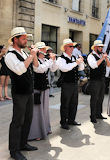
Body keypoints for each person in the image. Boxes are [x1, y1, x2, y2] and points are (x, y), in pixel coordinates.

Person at [5, 27, 38, 160]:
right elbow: (19, 70)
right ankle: (14, 151)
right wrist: (31, 56)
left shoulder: (24, 53)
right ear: (15, 39)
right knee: (17, 121)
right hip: (19, 93)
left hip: (28, 91)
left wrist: (33, 56)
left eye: (26, 38)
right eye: (23, 38)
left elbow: (35, 67)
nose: (26, 40)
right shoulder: (10, 55)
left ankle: (23, 143)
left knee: (28, 119)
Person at [28, 42, 58, 140]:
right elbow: (39, 69)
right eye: (43, 49)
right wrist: (50, 60)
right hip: (36, 89)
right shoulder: (34, 60)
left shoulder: (45, 59)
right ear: (39, 51)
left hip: (45, 88)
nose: (46, 51)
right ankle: (36, 133)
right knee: (37, 111)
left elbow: (54, 69)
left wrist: (53, 60)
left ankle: (45, 128)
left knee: (44, 110)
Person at [56, 39, 84, 130]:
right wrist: (76, 62)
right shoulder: (61, 59)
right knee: (65, 103)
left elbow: (80, 69)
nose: (72, 48)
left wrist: (81, 62)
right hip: (66, 84)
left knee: (74, 103)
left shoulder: (73, 58)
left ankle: (71, 120)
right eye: (70, 46)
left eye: (73, 46)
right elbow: (65, 68)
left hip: (74, 83)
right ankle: (63, 122)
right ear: (65, 48)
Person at [87, 40, 110, 123]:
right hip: (94, 80)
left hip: (102, 79)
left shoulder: (101, 55)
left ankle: (98, 114)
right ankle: (92, 116)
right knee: (94, 98)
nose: (101, 48)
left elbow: (108, 65)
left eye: (102, 47)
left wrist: (106, 58)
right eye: (100, 47)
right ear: (95, 47)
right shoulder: (91, 56)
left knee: (101, 97)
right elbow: (94, 65)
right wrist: (102, 58)